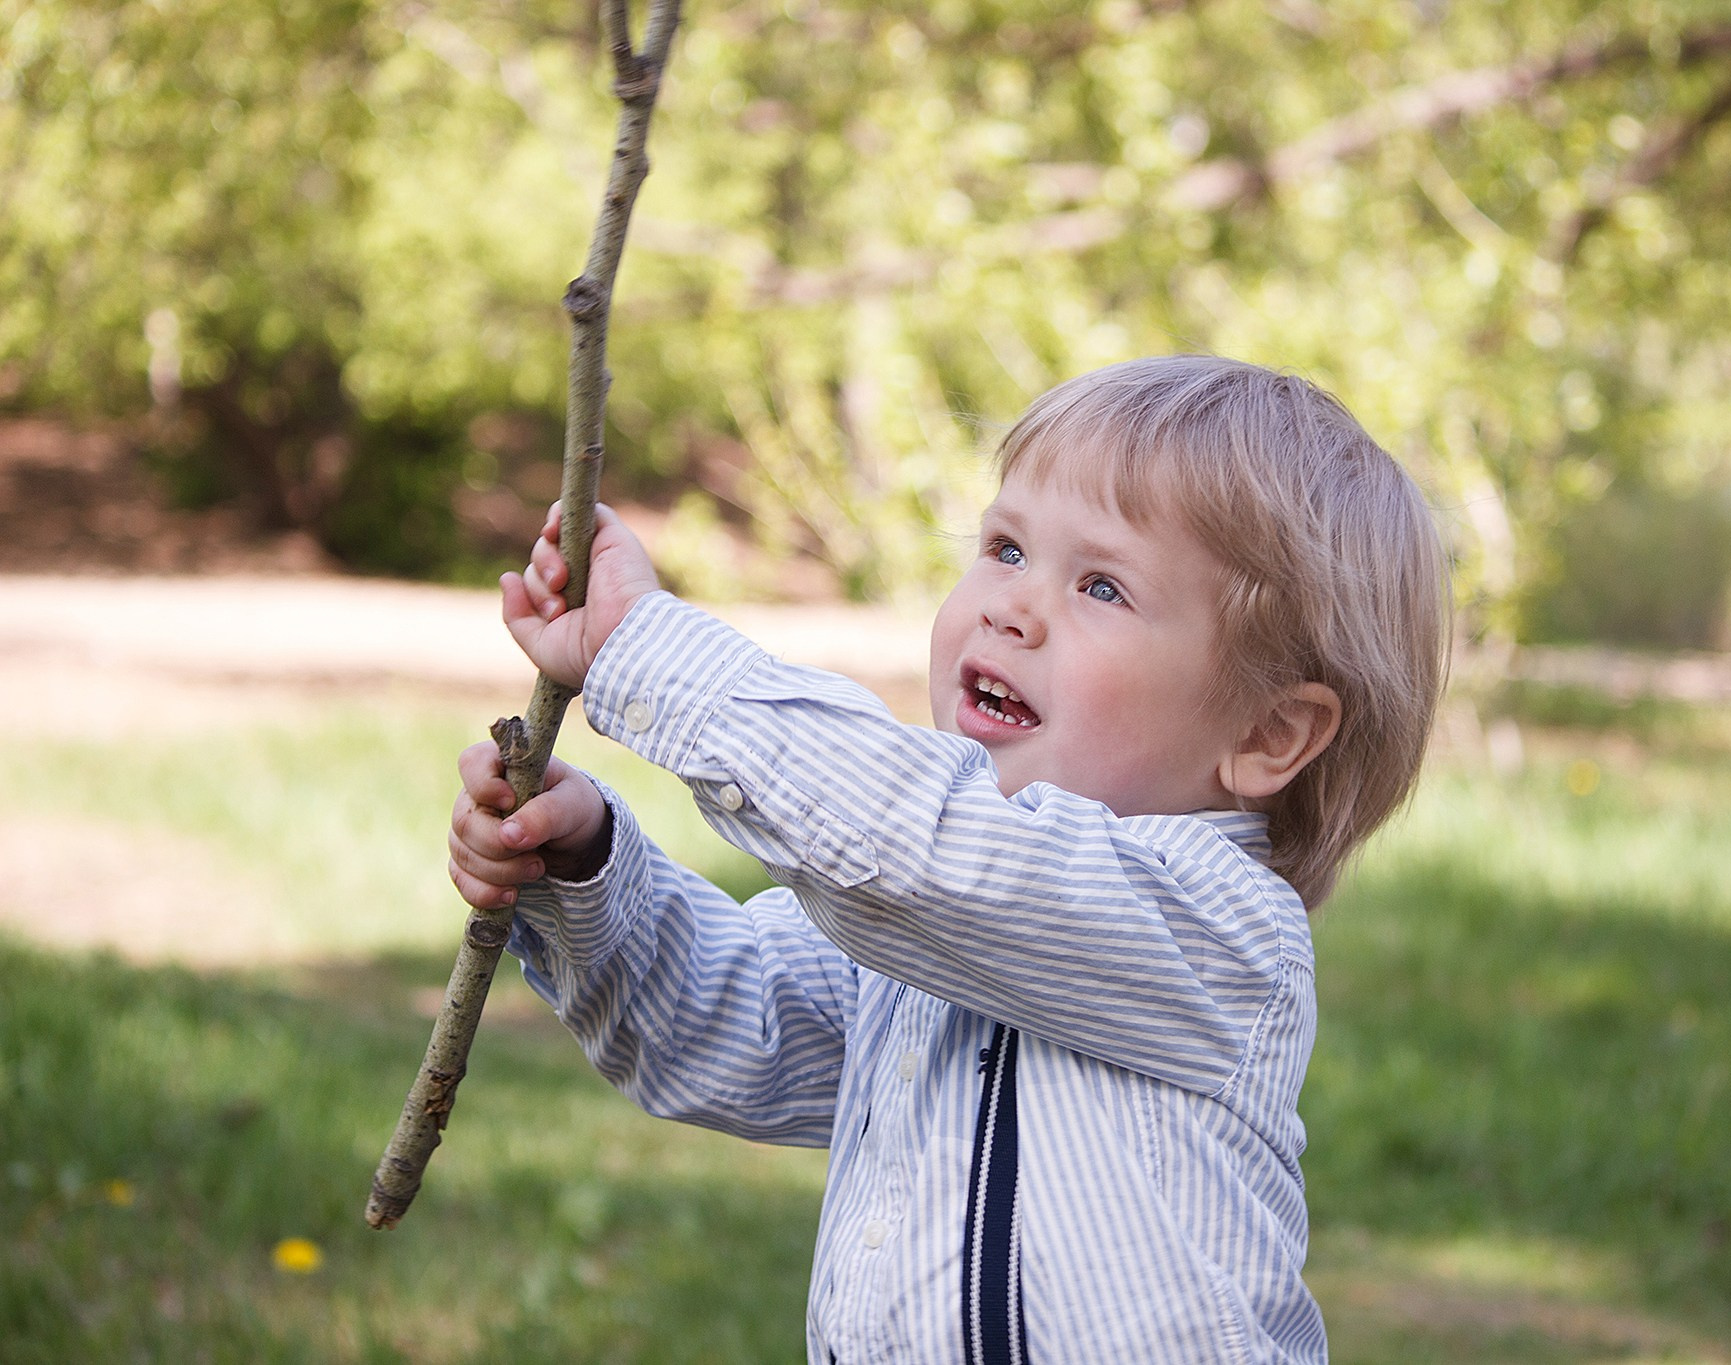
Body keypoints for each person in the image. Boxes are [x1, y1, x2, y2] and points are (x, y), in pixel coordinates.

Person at [447, 354, 1450, 1364]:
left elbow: (919, 847)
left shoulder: (1214, 927)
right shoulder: (927, 929)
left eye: (1101, 585)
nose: (1011, 607)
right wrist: (583, 864)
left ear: (1269, 735)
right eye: (1005, 548)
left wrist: (652, 654)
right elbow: (729, 1022)